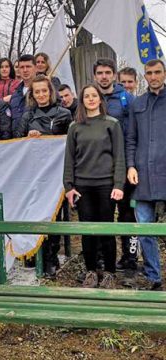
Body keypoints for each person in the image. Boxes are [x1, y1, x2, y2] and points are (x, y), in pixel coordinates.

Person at [63, 84, 125, 289]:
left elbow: (119, 157)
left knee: (106, 230)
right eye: (86, 96)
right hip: (82, 186)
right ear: (82, 101)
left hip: (106, 185)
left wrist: (118, 184)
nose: (90, 99)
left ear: (100, 99)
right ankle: (91, 271)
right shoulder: (75, 127)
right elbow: (69, 159)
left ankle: (109, 273)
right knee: (87, 230)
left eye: (94, 95)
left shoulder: (112, 124)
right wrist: (69, 186)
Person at [15, 75, 72, 277]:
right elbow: (17, 142)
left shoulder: (64, 114)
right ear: (32, 94)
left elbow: (69, 143)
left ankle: (51, 257)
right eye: (37, 91)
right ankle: (34, 251)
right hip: (33, 174)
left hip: (56, 174)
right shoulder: (27, 115)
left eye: (44, 91)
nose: (41, 95)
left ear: (51, 92)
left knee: (54, 215)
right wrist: (28, 137)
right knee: (34, 212)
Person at [93, 58, 137, 276]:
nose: (103, 76)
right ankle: (101, 258)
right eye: (100, 72)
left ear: (114, 75)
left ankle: (130, 259)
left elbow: (132, 133)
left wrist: (131, 164)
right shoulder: (90, 97)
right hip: (100, 169)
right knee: (103, 216)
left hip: (124, 164)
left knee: (128, 215)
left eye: (107, 72)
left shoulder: (125, 98)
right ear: (95, 76)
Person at [126, 59, 166, 291]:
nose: (153, 76)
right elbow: (131, 138)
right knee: (144, 229)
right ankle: (153, 277)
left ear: (164, 73)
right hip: (143, 176)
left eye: (157, 72)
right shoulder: (138, 103)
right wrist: (131, 165)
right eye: (149, 73)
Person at [10, 54, 37, 136]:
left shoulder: (44, 91)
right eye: (22, 67)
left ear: (35, 68)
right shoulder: (15, 94)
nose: (25, 70)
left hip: (36, 141)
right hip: (17, 142)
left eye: (28, 66)